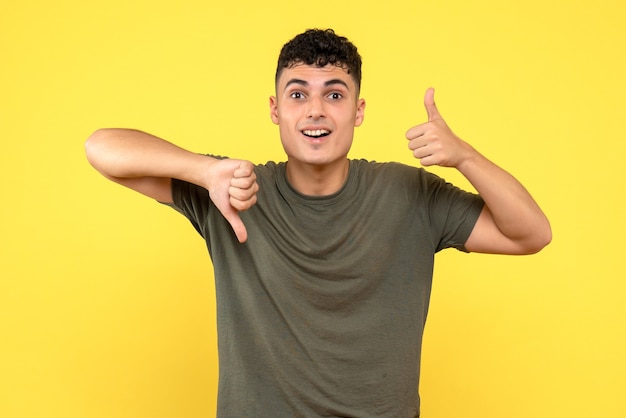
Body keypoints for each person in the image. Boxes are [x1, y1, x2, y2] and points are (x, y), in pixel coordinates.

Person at [85, 28, 551, 418]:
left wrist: (465, 157)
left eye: (334, 94)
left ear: (358, 111)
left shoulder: (410, 193)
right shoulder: (230, 189)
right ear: (275, 110)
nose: (315, 111)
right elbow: (102, 149)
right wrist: (202, 170)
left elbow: (532, 233)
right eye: (297, 94)